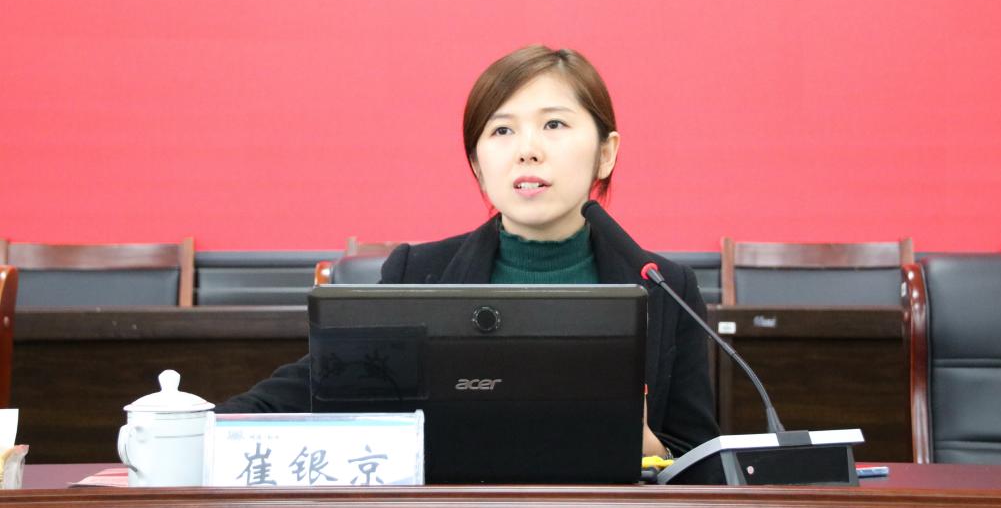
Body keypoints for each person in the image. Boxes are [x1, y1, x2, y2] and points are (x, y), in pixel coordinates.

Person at [217, 45, 719, 458]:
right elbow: (314, 387)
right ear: (478, 166)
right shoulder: (418, 273)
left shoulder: (666, 287)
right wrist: (204, 425)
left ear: (605, 154)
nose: (527, 149)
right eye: (502, 130)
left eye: (554, 125)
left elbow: (703, 459)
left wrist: (648, 447)